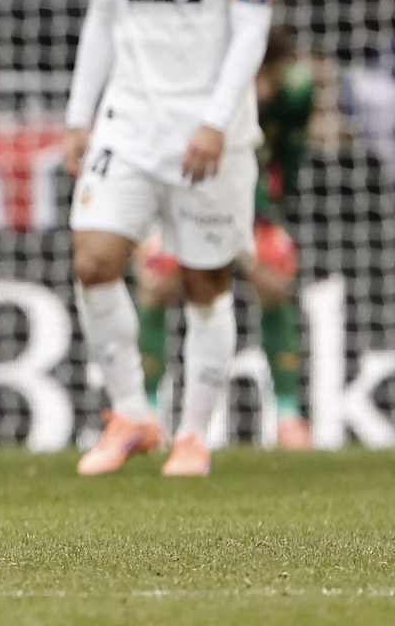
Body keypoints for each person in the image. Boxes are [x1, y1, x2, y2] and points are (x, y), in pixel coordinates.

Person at [63, 0, 280, 478]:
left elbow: (252, 32)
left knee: (204, 282)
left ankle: (193, 435)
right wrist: (79, 115)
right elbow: (103, 19)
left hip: (209, 134)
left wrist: (216, 122)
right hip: (128, 123)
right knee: (93, 259)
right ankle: (130, 412)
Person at [133, 24, 314, 450]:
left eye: (271, 77)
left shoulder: (296, 93)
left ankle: (288, 415)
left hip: (250, 209)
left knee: (274, 276)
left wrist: (268, 216)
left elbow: (286, 160)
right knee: (155, 282)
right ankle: (147, 412)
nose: (265, 90)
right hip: (178, 203)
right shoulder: (198, 87)